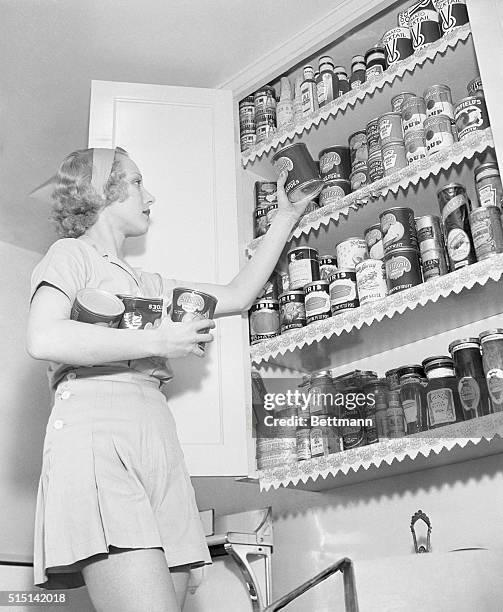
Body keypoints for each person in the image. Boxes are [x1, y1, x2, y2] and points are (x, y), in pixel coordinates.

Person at [26, 146, 312, 612]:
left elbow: (239, 295)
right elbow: (44, 336)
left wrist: (286, 217)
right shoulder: (72, 255)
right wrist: (160, 341)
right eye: (138, 182)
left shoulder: (152, 286)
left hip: (158, 441)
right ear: (102, 190)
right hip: (97, 436)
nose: (150, 196)